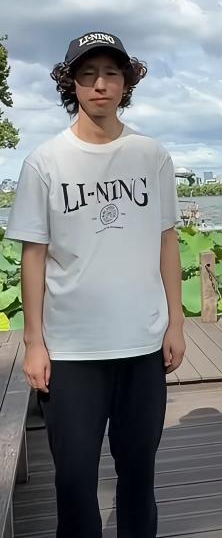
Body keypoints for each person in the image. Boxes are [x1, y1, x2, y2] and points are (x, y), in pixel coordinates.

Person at [6, 31, 185, 538]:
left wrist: (176, 322)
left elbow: (167, 241)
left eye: (111, 74)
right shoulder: (45, 162)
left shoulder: (151, 156)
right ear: (72, 85)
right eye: (87, 75)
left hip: (142, 345)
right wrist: (34, 342)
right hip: (71, 350)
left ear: (127, 82)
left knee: (139, 477)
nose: (100, 85)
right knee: (74, 482)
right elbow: (34, 255)